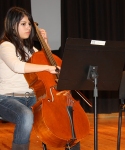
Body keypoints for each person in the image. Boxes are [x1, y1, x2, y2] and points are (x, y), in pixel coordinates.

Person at [0, 7, 80, 150]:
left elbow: (48, 62)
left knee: (66, 114)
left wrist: (45, 43)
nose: (29, 27)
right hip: (7, 98)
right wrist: (47, 68)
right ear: (12, 25)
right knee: (25, 116)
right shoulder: (5, 45)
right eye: (23, 24)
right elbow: (16, 66)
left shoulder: (30, 49)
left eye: (29, 24)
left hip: (31, 97)